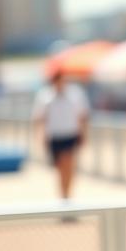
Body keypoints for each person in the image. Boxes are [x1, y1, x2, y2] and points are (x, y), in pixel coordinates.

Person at [31, 71, 90, 200]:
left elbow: (82, 116)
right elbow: (40, 118)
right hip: (54, 136)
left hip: (70, 135)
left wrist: (84, 134)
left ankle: (66, 197)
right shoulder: (45, 96)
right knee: (60, 169)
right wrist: (40, 136)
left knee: (68, 166)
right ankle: (64, 195)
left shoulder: (75, 94)